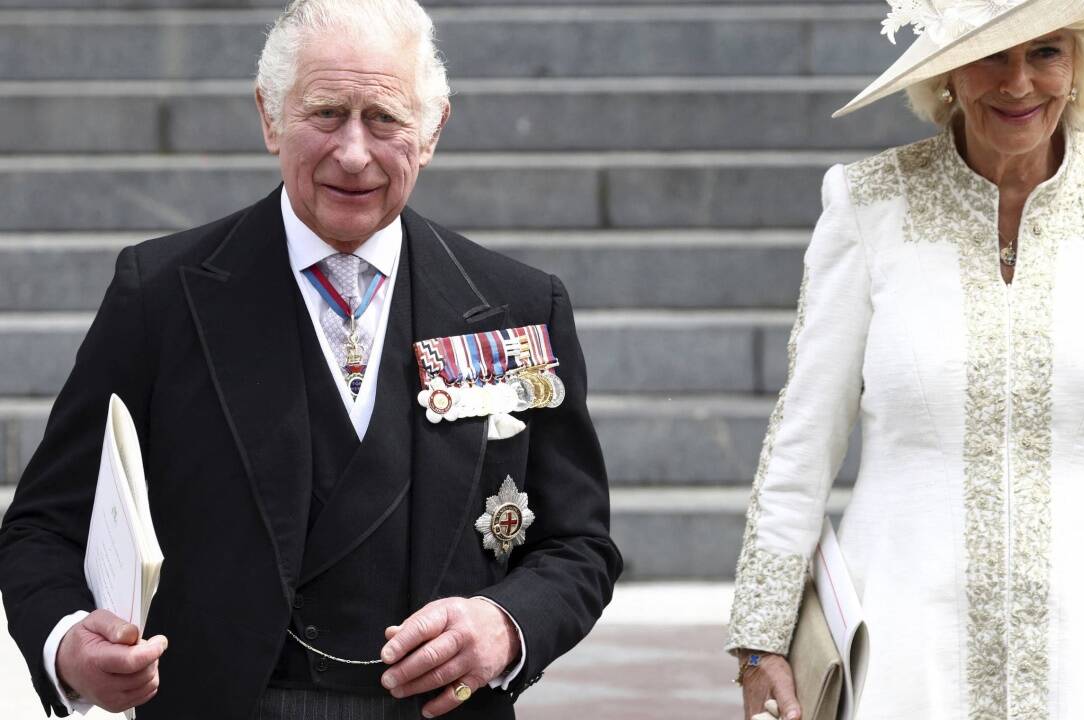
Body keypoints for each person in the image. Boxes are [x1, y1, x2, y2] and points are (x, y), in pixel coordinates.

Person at [0, 1, 621, 717]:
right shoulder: (163, 297)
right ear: (269, 117)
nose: (354, 152)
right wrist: (69, 643)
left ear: (432, 131)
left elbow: (579, 545)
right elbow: (43, 526)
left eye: (385, 118)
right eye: (326, 113)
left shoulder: (516, 304)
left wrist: (505, 627)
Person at [726, 1, 1084, 719]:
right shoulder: (866, 203)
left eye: (1045, 52)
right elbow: (801, 442)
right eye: (990, 54)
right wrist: (761, 644)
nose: (1018, 83)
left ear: (1079, 63)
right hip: (904, 649)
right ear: (946, 72)